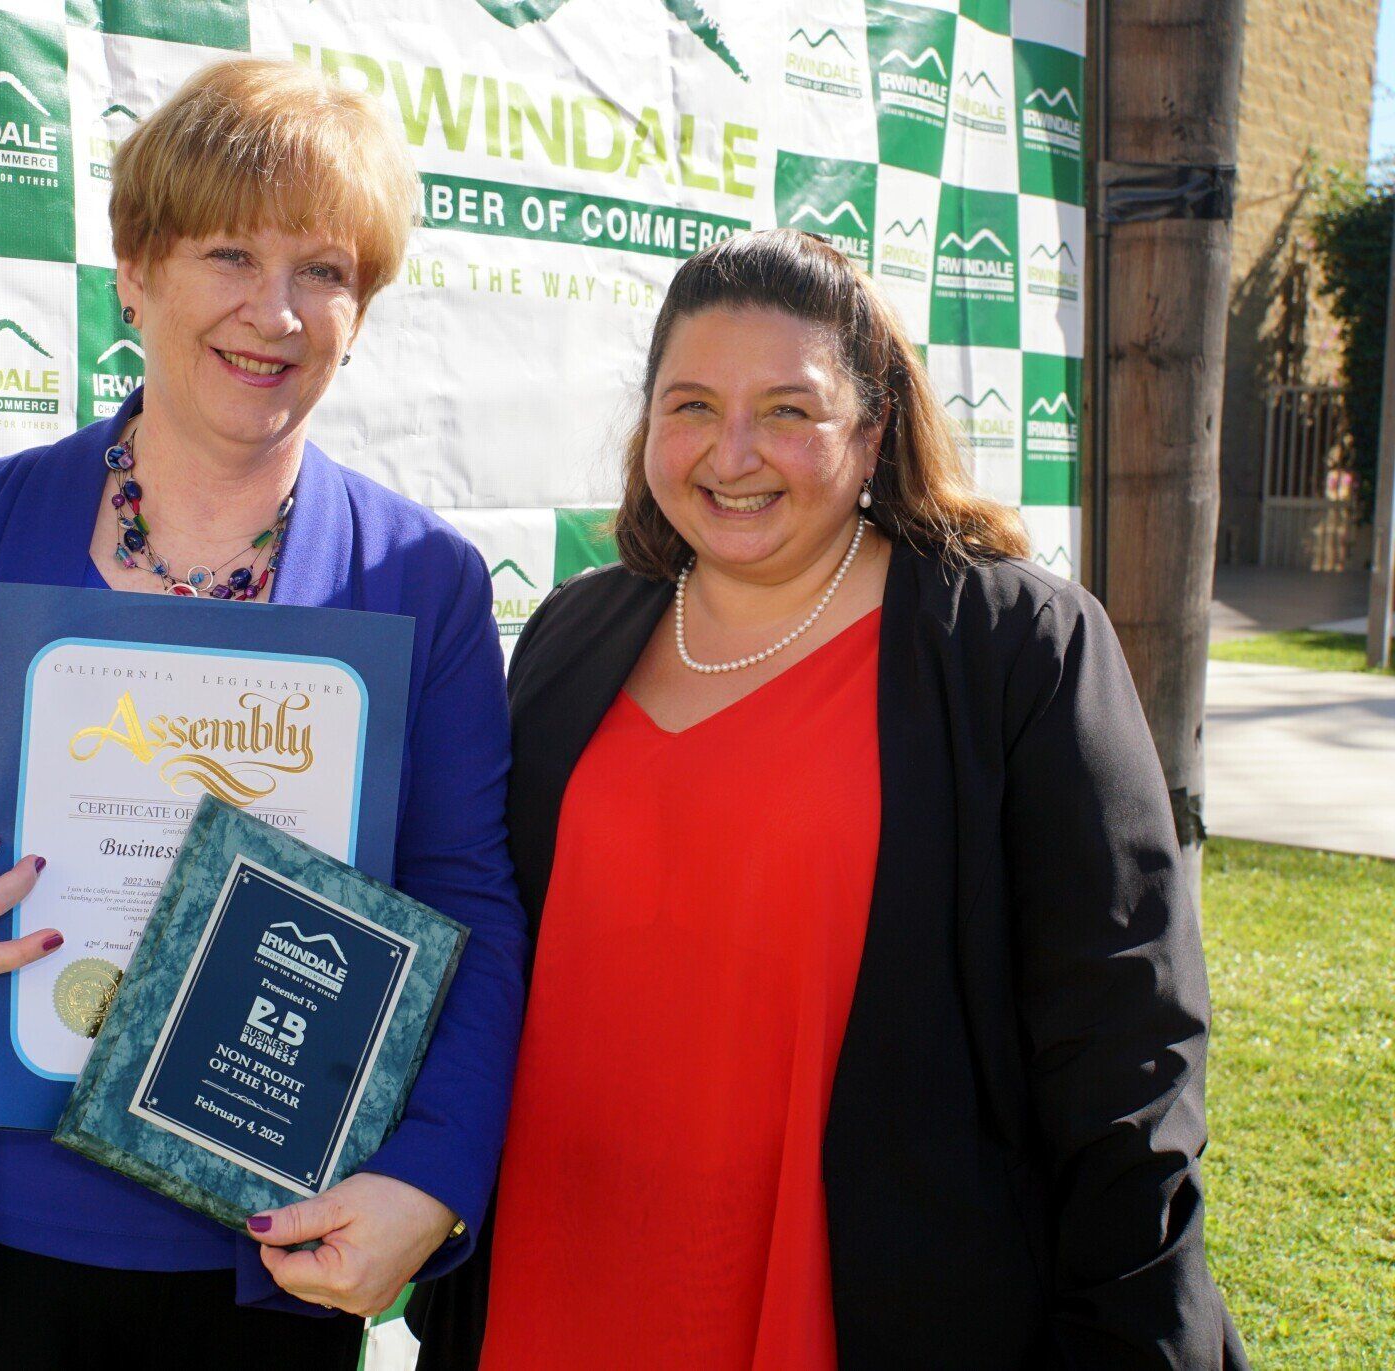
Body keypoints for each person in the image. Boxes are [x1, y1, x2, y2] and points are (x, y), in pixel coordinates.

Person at [0, 57, 527, 1369]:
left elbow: (467, 901)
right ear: (137, 272)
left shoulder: (418, 579)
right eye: (229, 254)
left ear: (362, 307)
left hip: (273, 1268)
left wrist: (431, 1175)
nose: (275, 312)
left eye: (324, 270)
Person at [407, 229, 1246, 1369]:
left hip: (857, 1301)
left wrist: (1130, 1323)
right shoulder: (573, 631)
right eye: (691, 405)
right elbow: (480, 935)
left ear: (874, 428)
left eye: (789, 411)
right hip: (557, 1272)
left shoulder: (1013, 648)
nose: (733, 452)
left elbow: (1123, 1039)